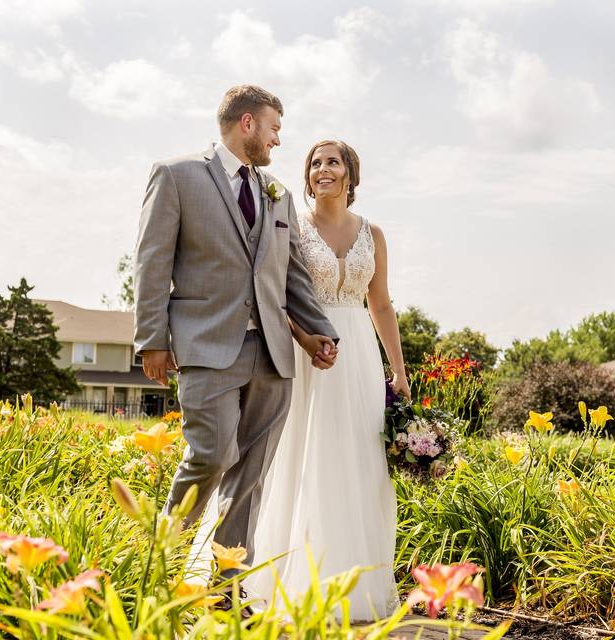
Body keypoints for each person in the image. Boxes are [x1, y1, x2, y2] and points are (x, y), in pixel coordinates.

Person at [187, 140, 411, 621]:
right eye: (315, 163)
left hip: (360, 362)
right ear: (307, 177)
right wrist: (306, 337)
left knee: (356, 462)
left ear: (351, 173)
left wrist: (398, 368)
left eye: (333, 162)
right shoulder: (289, 223)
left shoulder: (374, 233)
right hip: (302, 351)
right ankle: (268, 577)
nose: (322, 169)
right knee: (289, 459)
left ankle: (349, 579)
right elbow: (274, 294)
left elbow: (382, 304)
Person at [133, 85, 339, 581]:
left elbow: (291, 274)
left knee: (251, 474)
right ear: (247, 123)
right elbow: (151, 261)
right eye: (274, 129)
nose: (278, 141)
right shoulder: (177, 175)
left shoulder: (279, 194)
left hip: (273, 353)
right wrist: (152, 339)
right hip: (206, 345)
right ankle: (159, 569)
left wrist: (318, 332)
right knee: (211, 454)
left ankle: (227, 589)